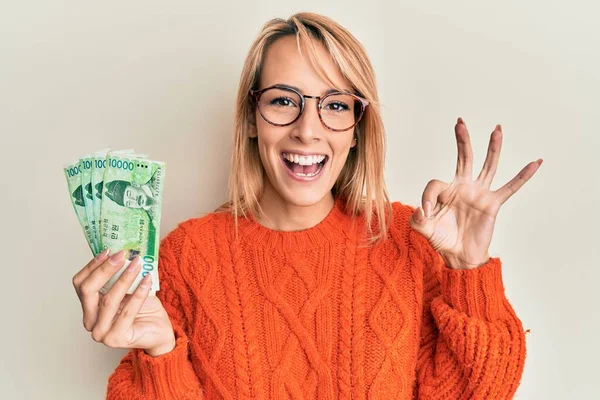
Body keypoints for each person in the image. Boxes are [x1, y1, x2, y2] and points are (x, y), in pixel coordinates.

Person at [71, 12, 542, 399]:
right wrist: (160, 355)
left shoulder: (408, 240)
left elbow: (482, 391)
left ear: (358, 127)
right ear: (252, 119)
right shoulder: (188, 255)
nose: (308, 130)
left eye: (335, 105)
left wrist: (467, 268)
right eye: (283, 100)